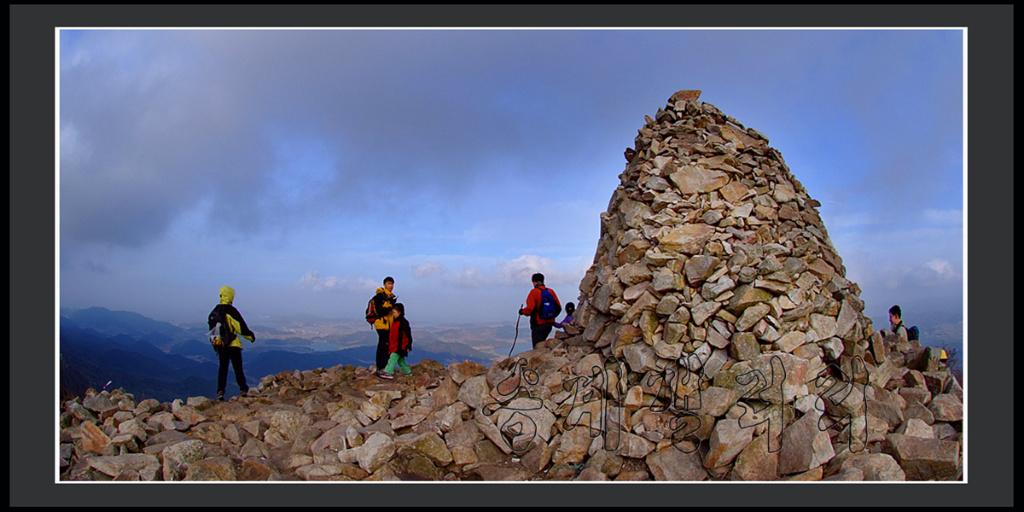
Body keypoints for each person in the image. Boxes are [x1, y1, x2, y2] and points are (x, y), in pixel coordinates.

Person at [208, 285, 256, 401]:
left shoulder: (215, 311)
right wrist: (250, 337)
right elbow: (240, 327)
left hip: (221, 345)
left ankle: (220, 392)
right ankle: (243, 389)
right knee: (237, 368)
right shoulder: (231, 311)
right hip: (233, 345)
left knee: (223, 368)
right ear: (230, 296)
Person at [518, 273, 561, 349]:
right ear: (543, 281)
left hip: (538, 324)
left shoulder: (534, 292)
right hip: (549, 324)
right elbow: (559, 308)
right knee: (543, 345)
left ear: (534, 282)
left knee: (537, 347)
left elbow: (530, 309)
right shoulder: (551, 291)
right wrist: (551, 317)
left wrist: (522, 311)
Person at [379, 303, 413, 380]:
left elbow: (408, 335)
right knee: (401, 361)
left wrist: (408, 345)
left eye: (394, 312)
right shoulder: (395, 322)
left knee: (392, 358)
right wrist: (388, 341)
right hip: (395, 345)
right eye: (392, 313)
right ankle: (408, 372)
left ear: (399, 312)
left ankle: (388, 372)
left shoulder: (403, 322)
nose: (393, 314)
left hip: (400, 345)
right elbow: (392, 333)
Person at [371, 276, 397, 378]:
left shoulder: (390, 296)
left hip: (388, 325)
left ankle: (385, 368)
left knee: (386, 345)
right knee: (383, 345)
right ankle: (380, 369)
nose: (390, 286)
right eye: (389, 284)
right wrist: (390, 308)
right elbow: (379, 311)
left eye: (392, 284)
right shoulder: (380, 296)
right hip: (381, 325)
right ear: (384, 284)